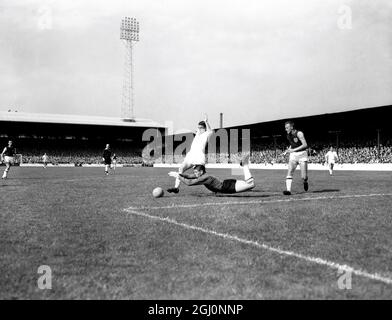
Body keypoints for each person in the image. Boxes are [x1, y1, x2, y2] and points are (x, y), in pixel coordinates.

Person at [167, 115, 213, 194]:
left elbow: (210, 131)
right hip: (190, 157)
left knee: (201, 177)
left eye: (200, 127)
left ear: (204, 128)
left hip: (199, 158)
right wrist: (200, 125)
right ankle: (176, 188)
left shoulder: (206, 134)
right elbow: (198, 129)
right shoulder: (197, 134)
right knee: (181, 169)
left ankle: (214, 189)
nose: (198, 129)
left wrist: (206, 121)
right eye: (198, 127)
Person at [168, 154, 255, 194]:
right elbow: (188, 176)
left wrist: (178, 176)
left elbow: (189, 183)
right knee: (248, 186)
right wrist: (178, 173)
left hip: (227, 187)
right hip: (226, 184)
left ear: (201, 172)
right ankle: (244, 166)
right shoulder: (201, 175)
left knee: (250, 184)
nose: (194, 173)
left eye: (195, 172)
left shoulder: (204, 177)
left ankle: (245, 165)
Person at [282, 121, 309, 195]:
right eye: (285, 128)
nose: (286, 129)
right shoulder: (288, 135)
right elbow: (292, 144)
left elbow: (305, 145)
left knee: (304, 176)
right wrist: (286, 151)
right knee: (290, 172)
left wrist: (292, 150)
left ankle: (305, 181)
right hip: (293, 155)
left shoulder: (299, 133)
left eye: (287, 128)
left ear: (291, 127)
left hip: (302, 155)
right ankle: (288, 190)